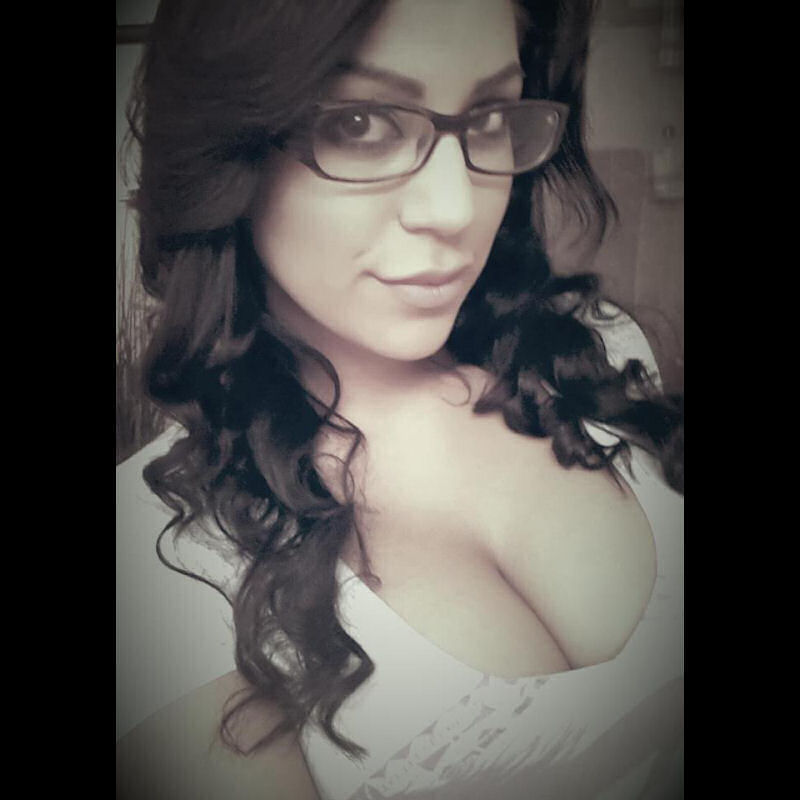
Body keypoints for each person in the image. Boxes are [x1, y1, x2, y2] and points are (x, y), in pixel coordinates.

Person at [116, 0, 684, 798]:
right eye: (358, 124)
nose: (455, 210)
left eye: (491, 117)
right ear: (229, 146)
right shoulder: (156, 562)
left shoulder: (595, 346)